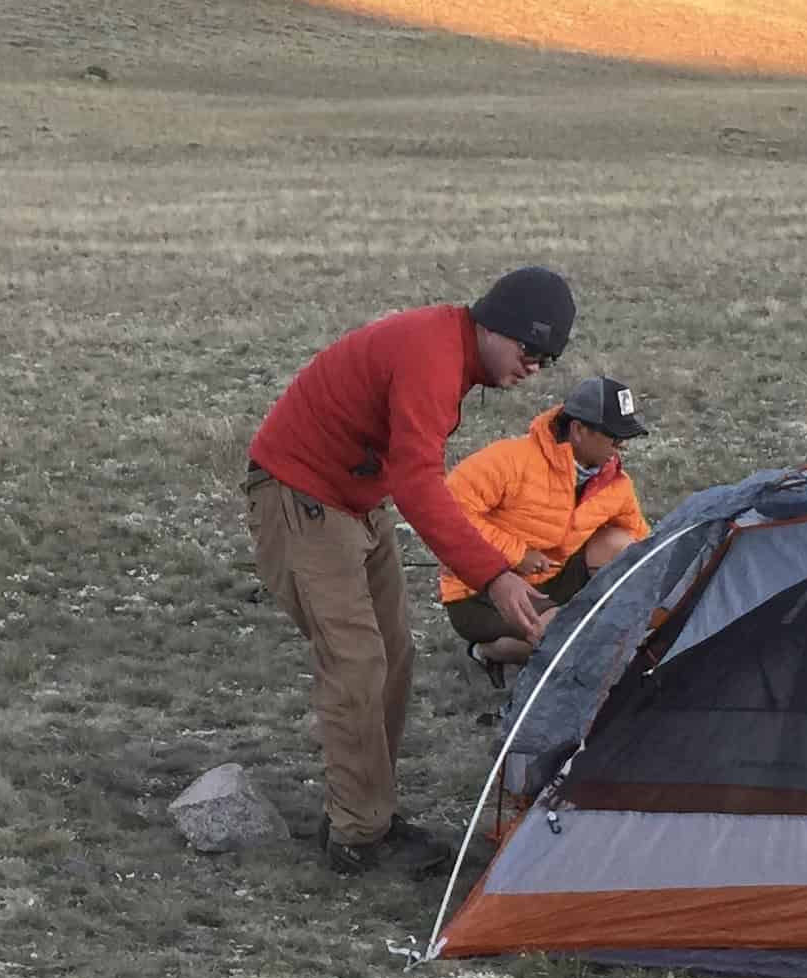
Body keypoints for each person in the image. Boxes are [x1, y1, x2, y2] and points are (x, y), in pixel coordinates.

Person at [243, 267, 574, 876]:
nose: (535, 367)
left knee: (393, 655)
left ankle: (368, 812)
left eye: (547, 360)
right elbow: (418, 481)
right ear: (495, 325)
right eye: (531, 349)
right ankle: (358, 836)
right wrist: (496, 576)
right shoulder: (433, 354)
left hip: (356, 502)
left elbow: (406, 472)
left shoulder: (451, 354)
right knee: (355, 661)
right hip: (301, 497)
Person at [441, 375, 651, 684]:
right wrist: (516, 554)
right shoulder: (511, 460)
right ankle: (490, 650)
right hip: (480, 589)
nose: (620, 447)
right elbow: (448, 510)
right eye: (613, 437)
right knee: (562, 638)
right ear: (579, 430)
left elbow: (644, 545)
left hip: (552, 578)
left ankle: (567, 629)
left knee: (621, 544)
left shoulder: (614, 483)